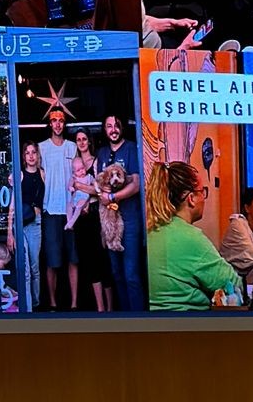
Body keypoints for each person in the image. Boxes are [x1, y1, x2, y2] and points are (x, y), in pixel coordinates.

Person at [144, 160, 239, 310]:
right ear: (191, 198)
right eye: (202, 191)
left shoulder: (149, 231)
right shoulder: (191, 239)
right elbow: (232, 284)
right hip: (190, 327)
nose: (204, 198)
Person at [97, 114, 145, 313]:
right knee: (116, 273)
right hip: (109, 222)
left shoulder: (132, 149)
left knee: (131, 274)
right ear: (105, 130)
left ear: (121, 128)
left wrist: (113, 197)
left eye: (116, 125)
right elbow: (97, 182)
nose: (113, 129)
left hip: (130, 218)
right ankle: (125, 318)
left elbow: (136, 184)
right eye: (109, 126)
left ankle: (139, 320)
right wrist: (99, 192)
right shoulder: (101, 153)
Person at [66, 127, 113, 312]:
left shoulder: (96, 161)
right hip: (81, 220)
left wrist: (79, 186)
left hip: (95, 214)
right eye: (78, 139)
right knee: (87, 261)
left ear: (89, 141)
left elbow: (100, 190)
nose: (82, 142)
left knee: (101, 260)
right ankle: (98, 306)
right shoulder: (75, 163)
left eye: (84, 139)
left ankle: (108, 307)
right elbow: (70, 190)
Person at [38, 107, 78, 310]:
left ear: (65, 123)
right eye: (54, 120)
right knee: (52, 260)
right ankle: (52, 302)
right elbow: (36, 175)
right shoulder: (41, 148)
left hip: (71, 210)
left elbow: (79, 174)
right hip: (50, 210)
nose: (57, 124)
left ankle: (74, 303)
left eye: (61, 120)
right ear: (49, 124)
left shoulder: (72, 147)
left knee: (73, 258)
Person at [18, 139, 45, 310]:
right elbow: (13, 203)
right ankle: (27, 308)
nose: (31, 156)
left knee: (35, 267)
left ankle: (36, 303)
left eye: (33, 152)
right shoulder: (19, 174)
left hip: (36, 223)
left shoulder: (42, 173)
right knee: (26, 270)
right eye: (27, 153)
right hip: (21, 224)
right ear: (23, 156)